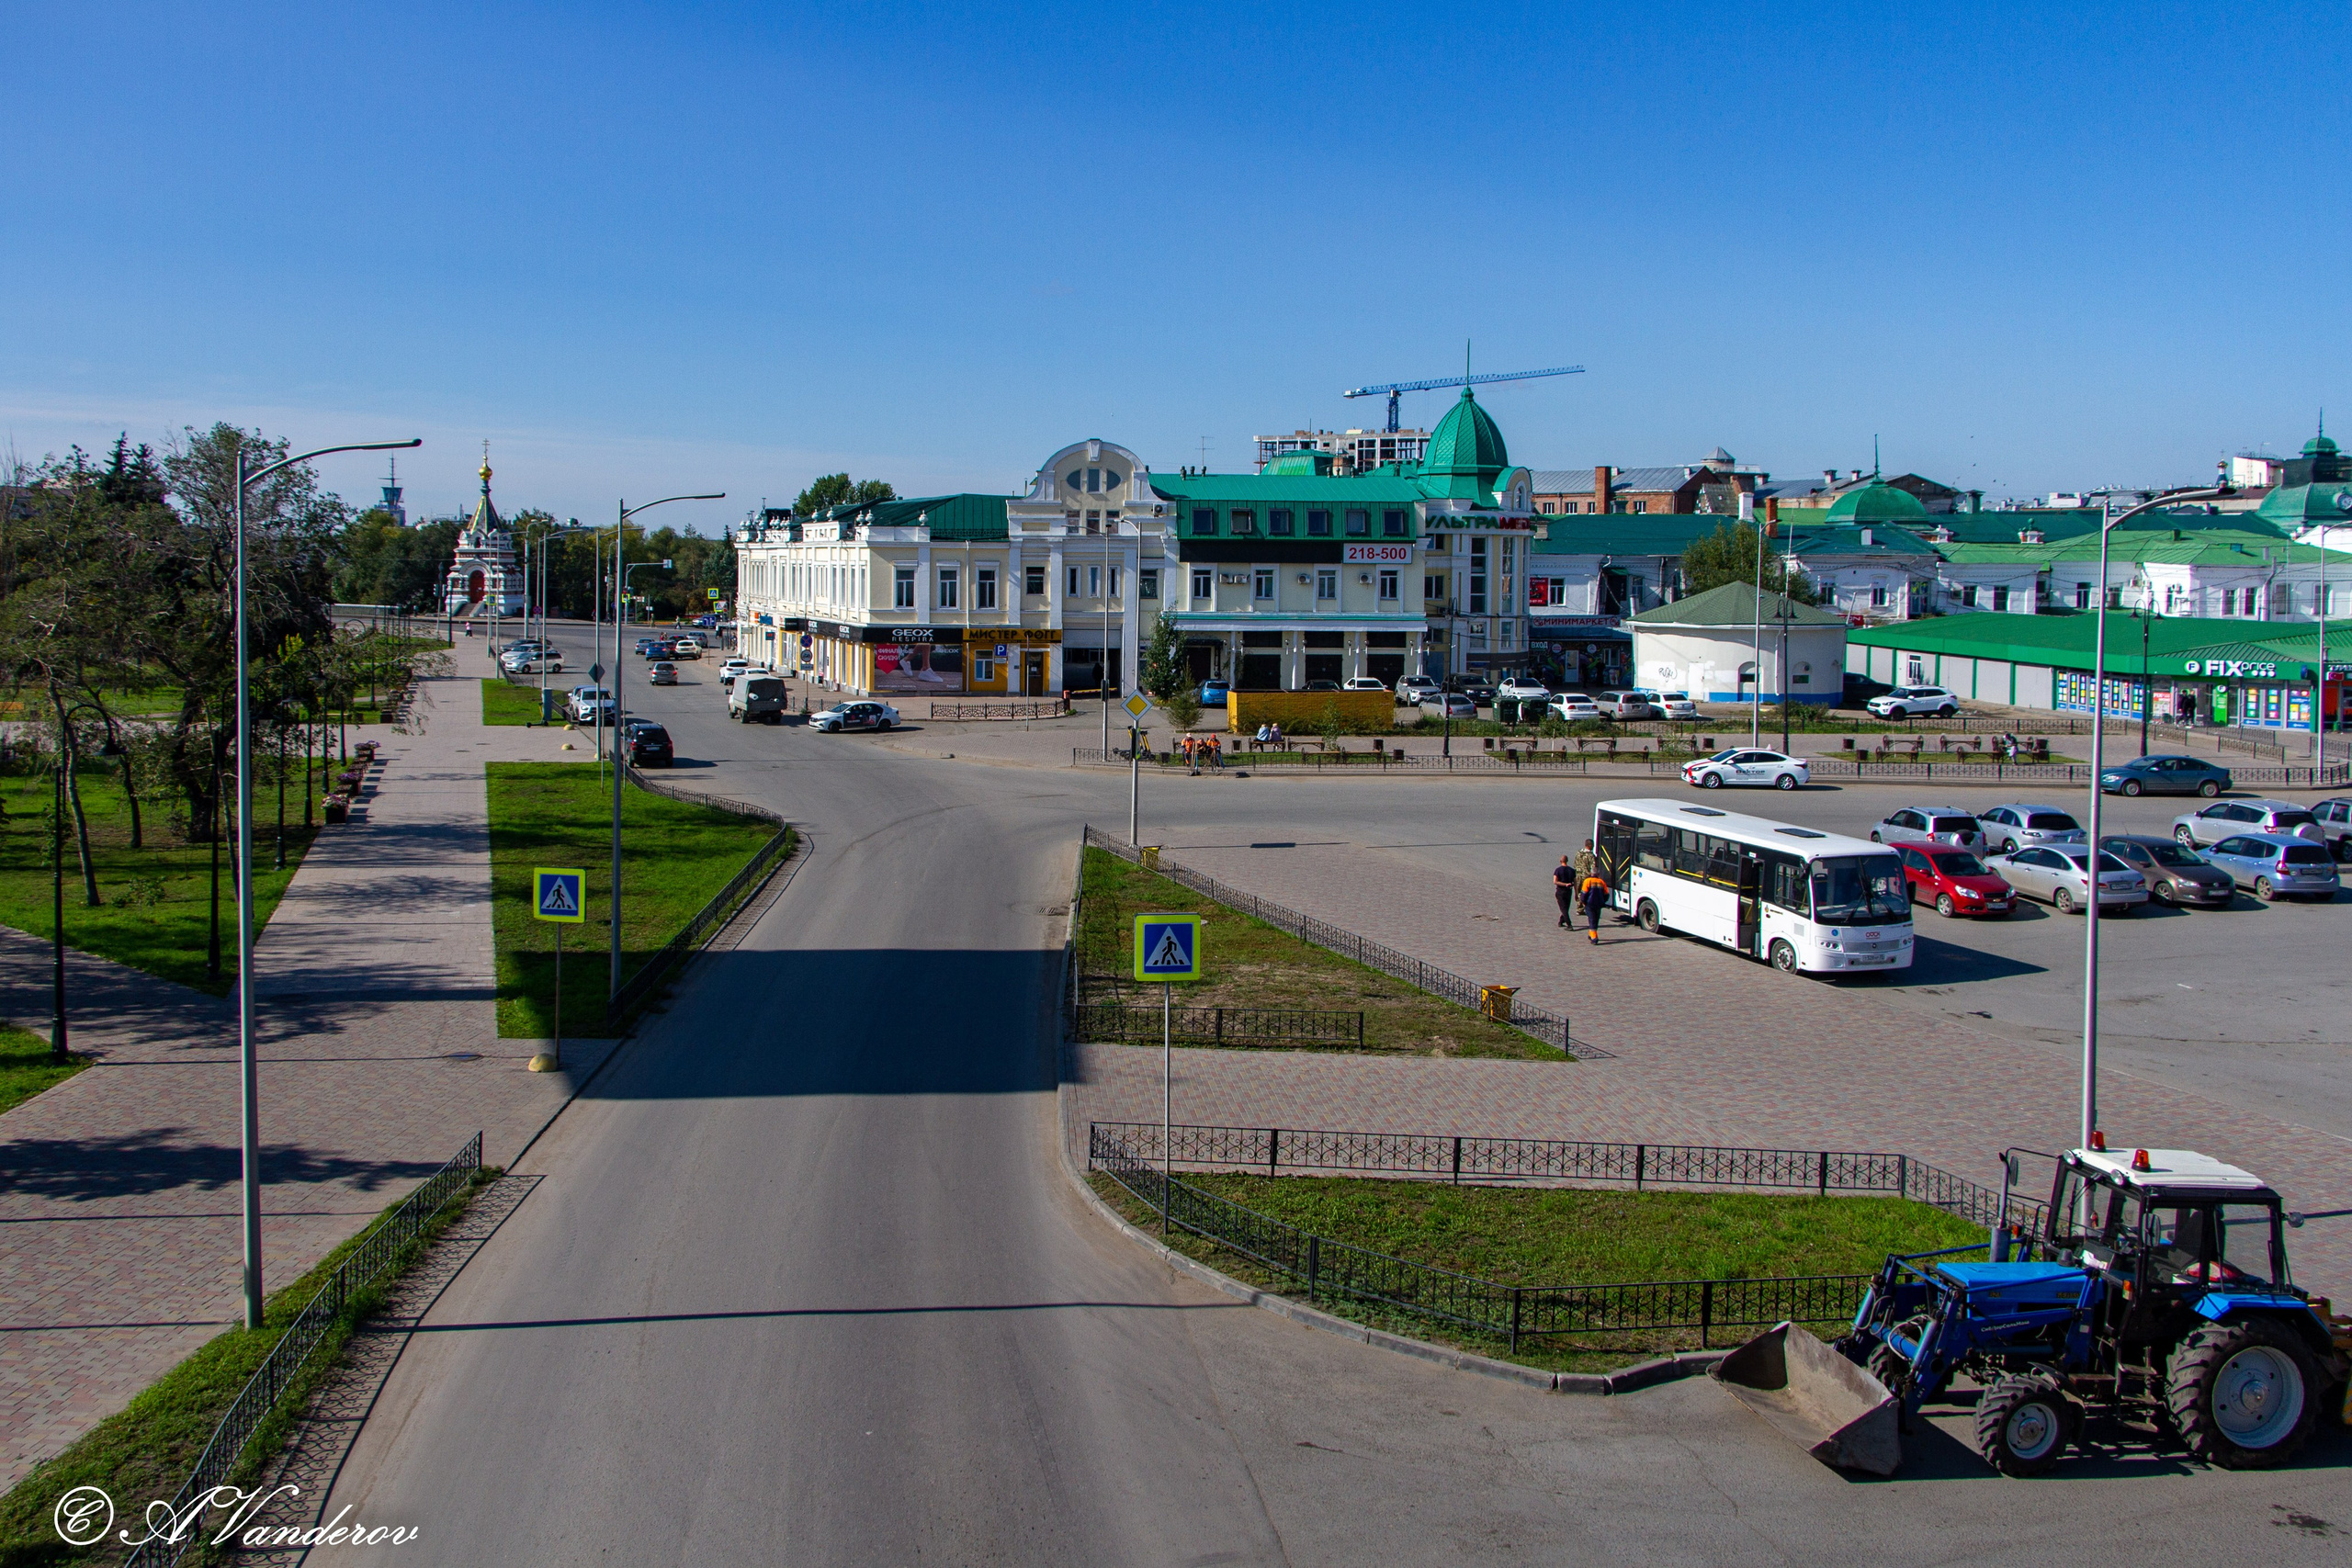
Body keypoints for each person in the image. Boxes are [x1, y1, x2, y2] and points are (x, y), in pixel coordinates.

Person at [1578, 870, 1611, 943]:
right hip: (1598, 904)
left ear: (1591, 873)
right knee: (1595, 919)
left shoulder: (1587, 881)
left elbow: (1584, 893)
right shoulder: (1602, 882)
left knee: (1592, 919)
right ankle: (1591, 933)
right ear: (1598, 874)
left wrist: (1583, 902)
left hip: (1589, 903)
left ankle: (1594, 938)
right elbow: (1606, 894)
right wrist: (1603, 901)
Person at [1553, 855, 1575, 928]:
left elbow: (1555, 881)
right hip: (1569, 891)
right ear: (1567, 861)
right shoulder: (1572, 870)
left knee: (1564, 908)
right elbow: (1575, 882)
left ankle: (1569, 924)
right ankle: (1561, 921)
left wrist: (1565, 884)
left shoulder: (1558, 870)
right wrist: (1577, 893)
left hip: (1560, 891)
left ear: (1560, 861)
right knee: (1566, 907)